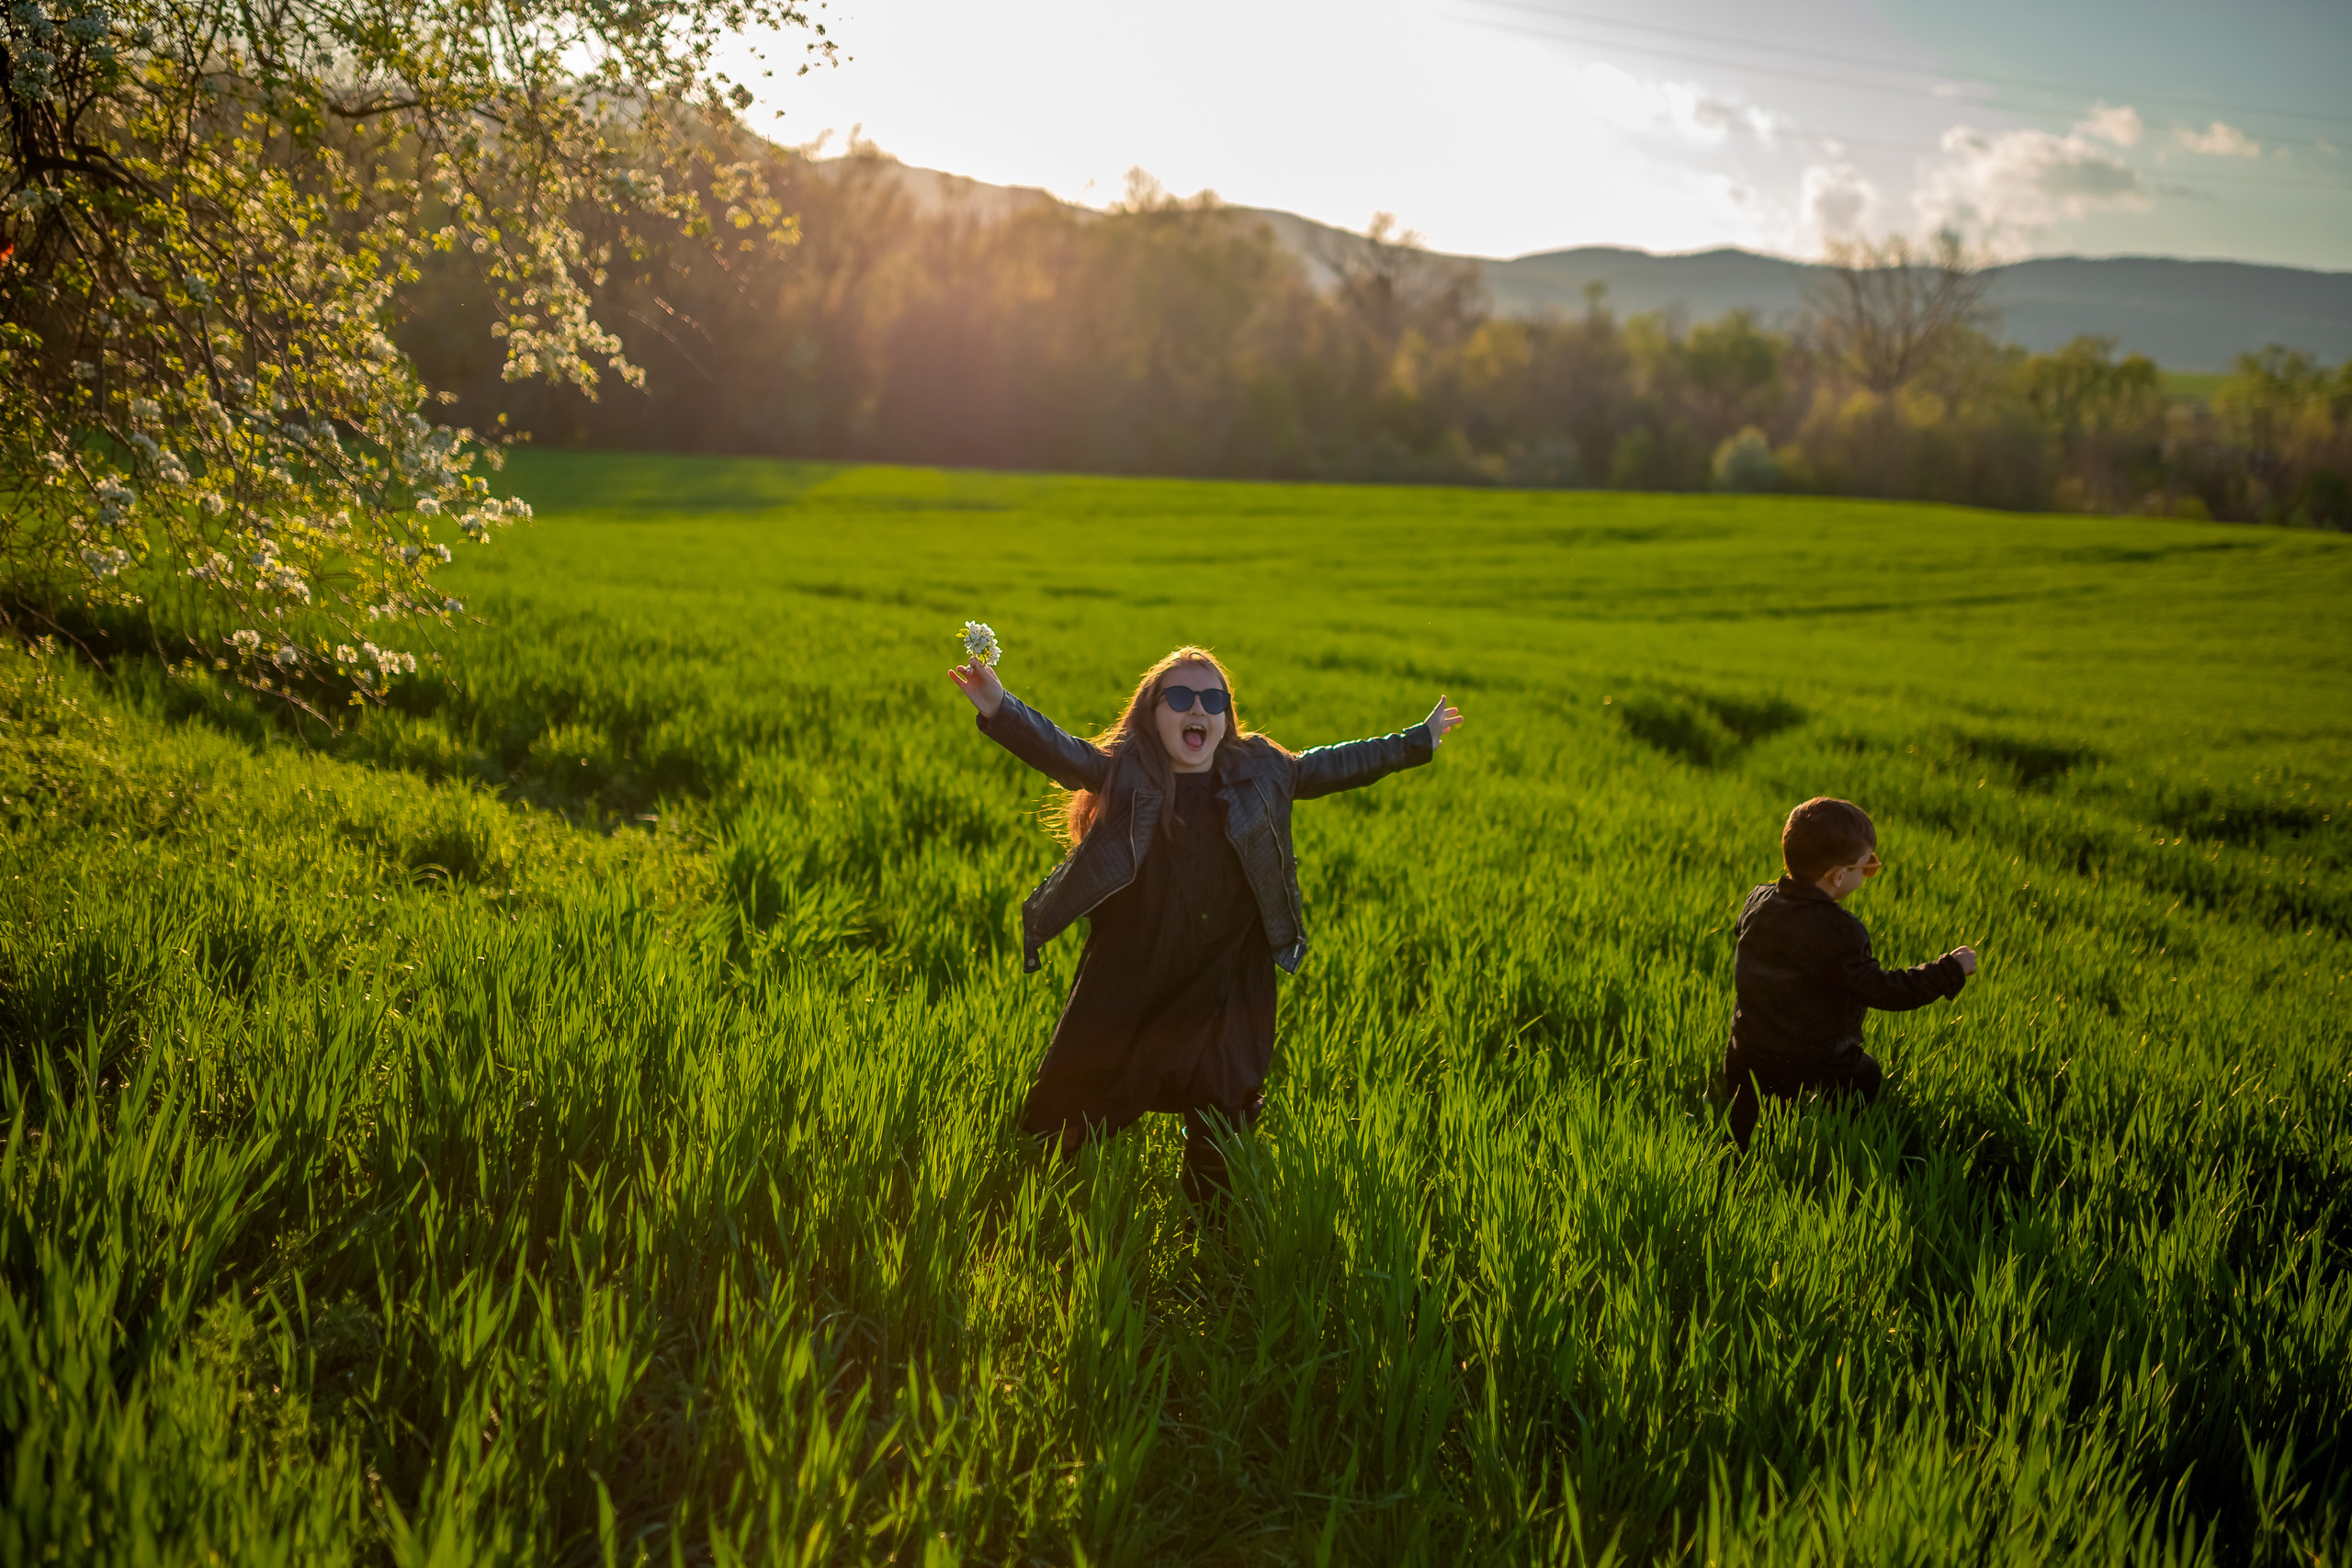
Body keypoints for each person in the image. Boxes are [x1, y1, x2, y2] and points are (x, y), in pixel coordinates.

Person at [950, 644, 1464, 1202]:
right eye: (1180, 696)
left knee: (1224, 1094)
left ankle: (1214, 1221)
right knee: (1088, 1082)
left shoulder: (1262, 769)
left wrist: (1418, 739)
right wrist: (999, 705)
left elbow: (1334, 763)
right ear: (1153, 713)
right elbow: (1065, 754)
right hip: (1138, 961)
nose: (1198, 708)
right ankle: (1043, 1190)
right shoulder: (1127, 773)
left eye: (1212, 699)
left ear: (1224, 718)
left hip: (1226, 967)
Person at [1719, 795, 1978, 1149]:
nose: (1870, 871)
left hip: (1746, 1048)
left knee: (1738, 1127)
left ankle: (1729, 1166)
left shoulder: (1758, 899)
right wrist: (1949, 970)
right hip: (1815, 1059)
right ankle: (1842, 1149)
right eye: (1867, 866)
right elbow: (1885, 991)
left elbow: (1743, 932)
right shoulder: (1841, 931)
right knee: (1865, 1077)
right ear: (1839, 876)